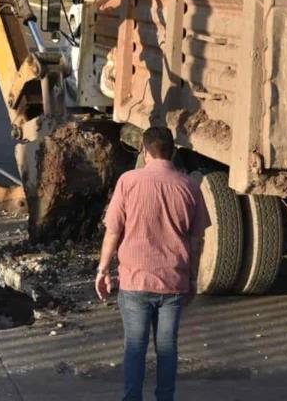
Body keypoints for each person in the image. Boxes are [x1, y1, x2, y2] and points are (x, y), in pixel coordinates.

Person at [94, 126, 209, 401]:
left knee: (135, 347)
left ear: (145, 151)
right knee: (167, 348)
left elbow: (113, 231)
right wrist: (192, 279)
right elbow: (196, 240)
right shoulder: (190, 187)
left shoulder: (128, 181)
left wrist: (103, 270)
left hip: (135, 281)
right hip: (173, 283)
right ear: (173, 152)